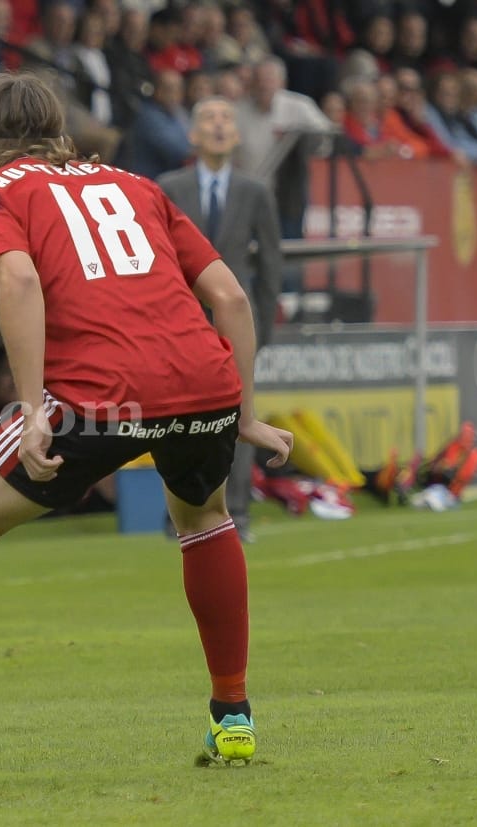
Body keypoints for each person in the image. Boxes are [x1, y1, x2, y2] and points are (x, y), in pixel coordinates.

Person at [0, 71, 293, 789]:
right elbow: (231, 296)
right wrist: (241, 411)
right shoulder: (137, 185)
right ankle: (232, 715)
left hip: (97, 393)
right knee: (206, 518)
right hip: (202, 379)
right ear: (59, 131)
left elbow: (19, 282)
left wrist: (30, 411)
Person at [156, 95, 282, 542]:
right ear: (192, 134)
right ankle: (179, 512)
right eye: (208, 118)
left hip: (237, 323)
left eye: (226, 117)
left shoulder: (255, 191)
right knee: (175, 417)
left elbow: (270, 264)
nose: (218, 125)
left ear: (237, 134)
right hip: (180, 321)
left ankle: (238, 513)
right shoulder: (168, 188)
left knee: (239, 417)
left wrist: (262, 328)